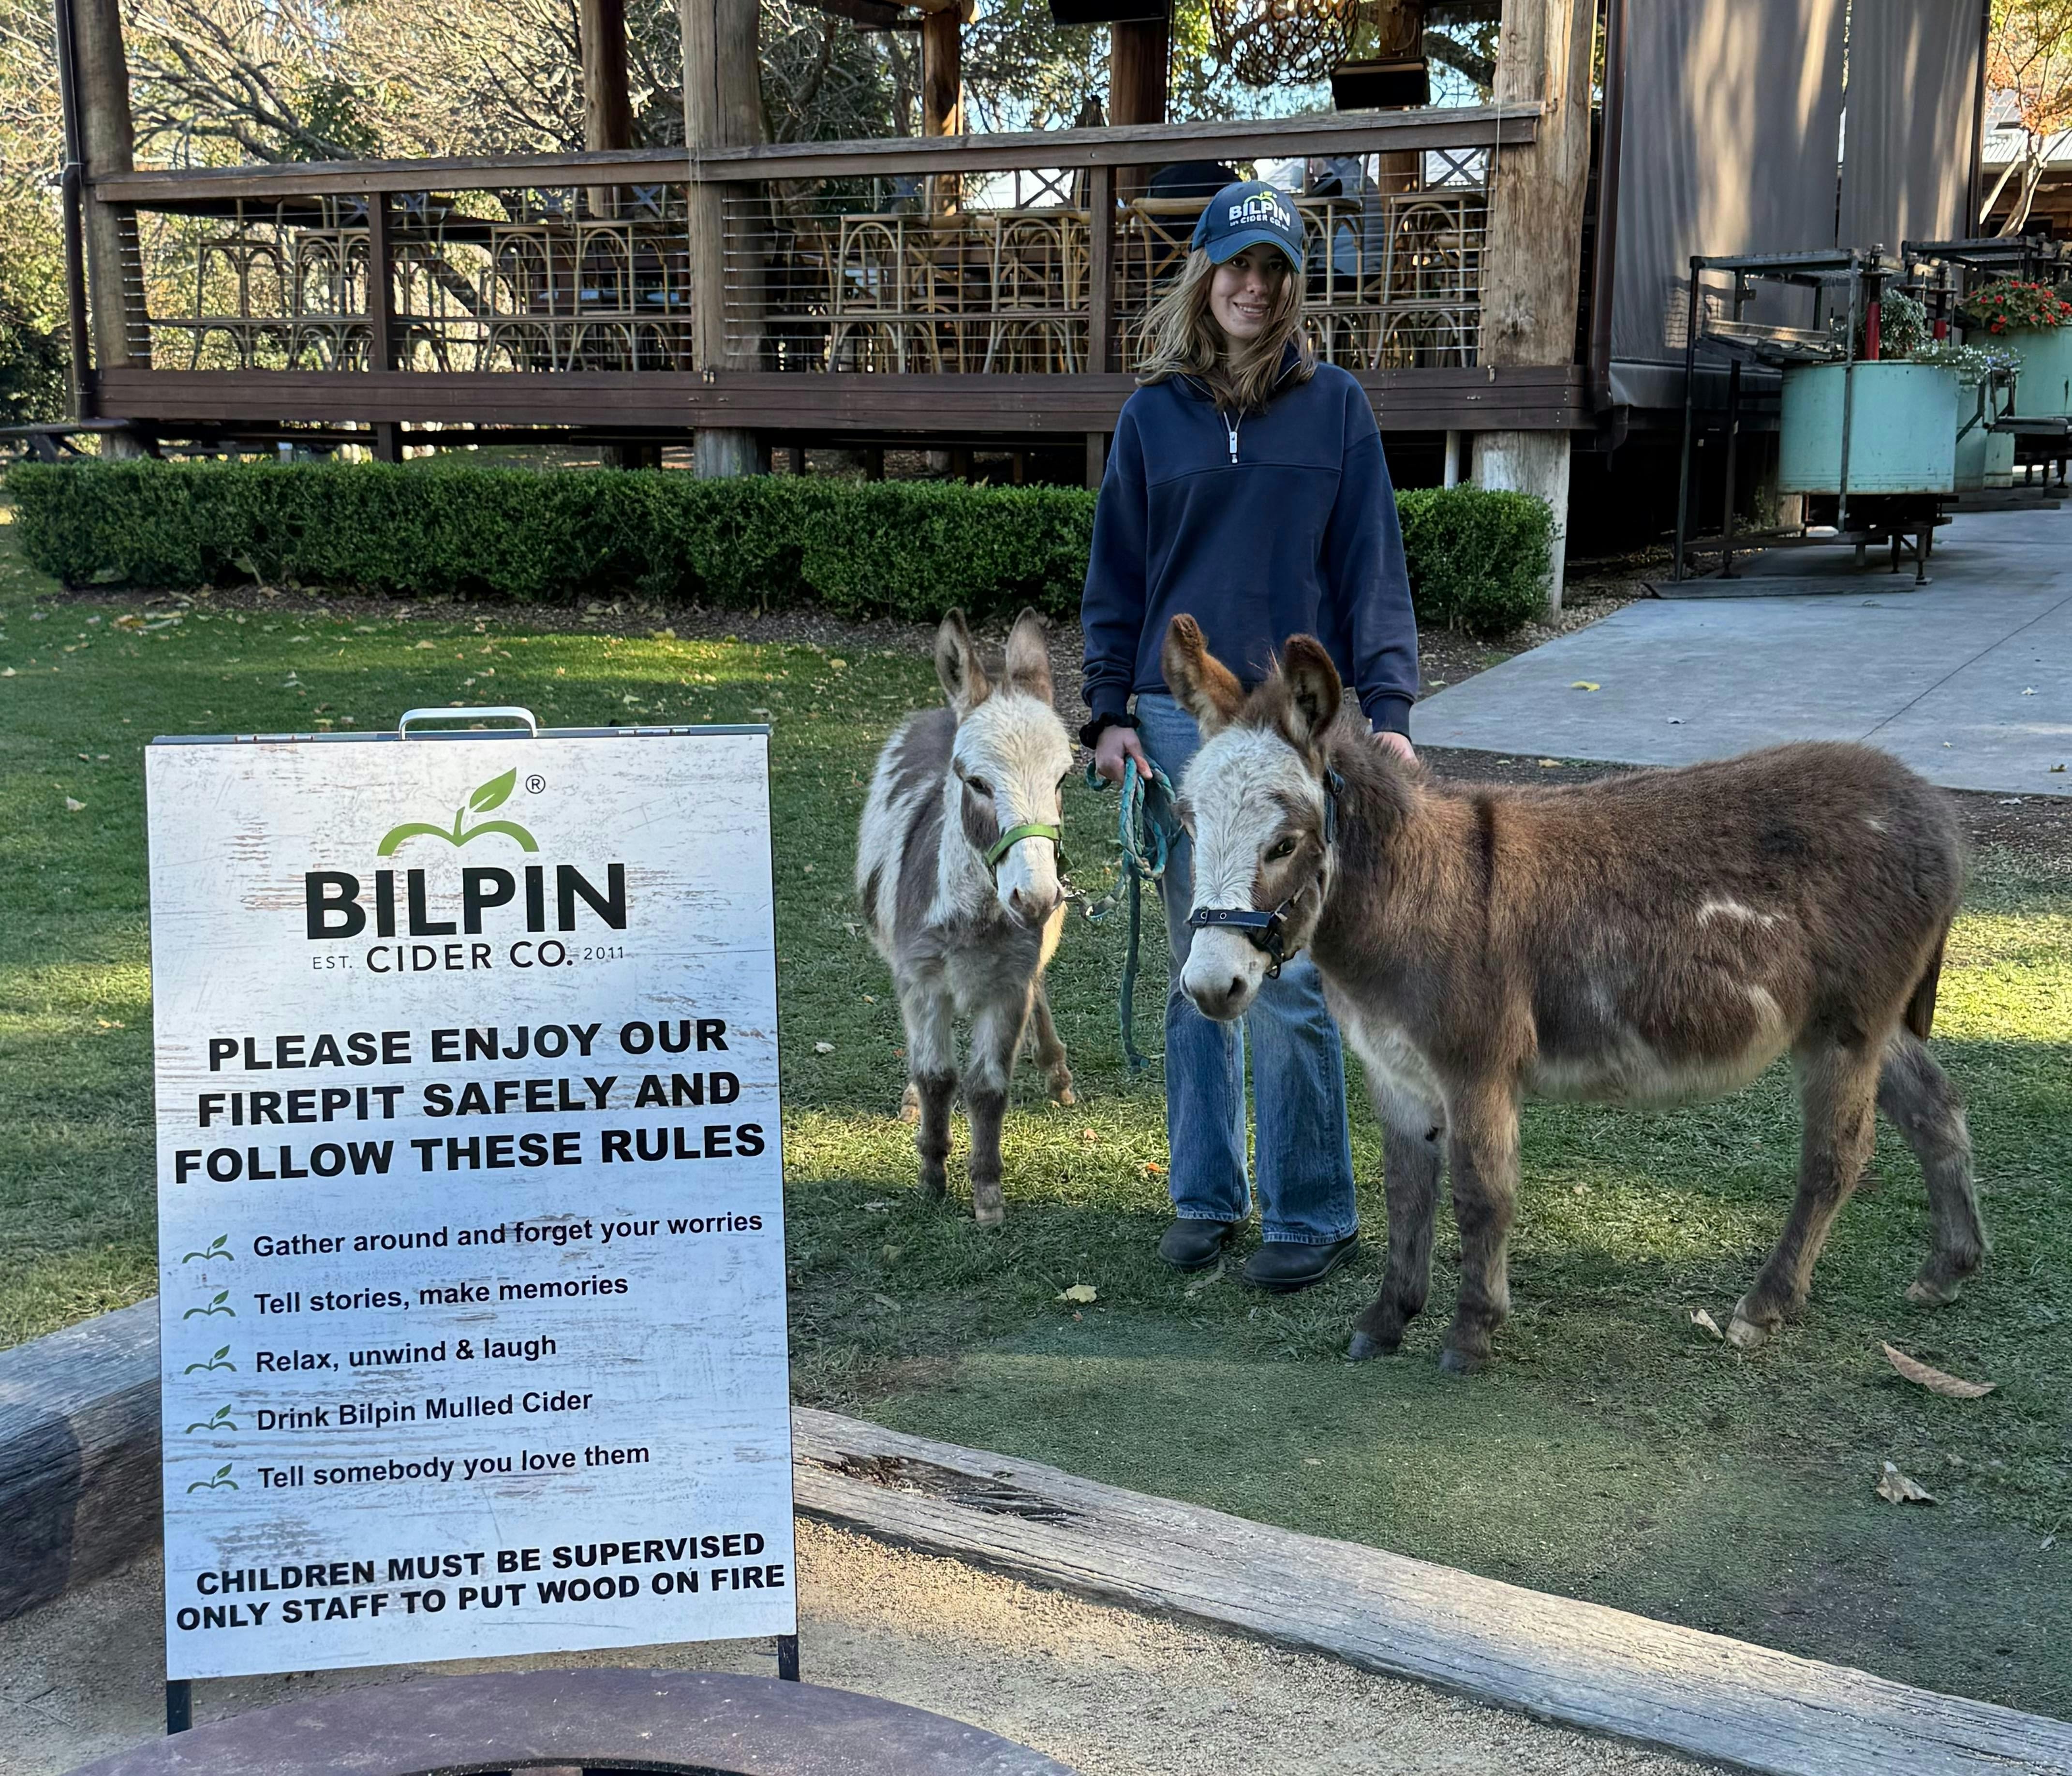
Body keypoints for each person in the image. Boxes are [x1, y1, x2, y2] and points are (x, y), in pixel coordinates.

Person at [1079, 179, 1419, 1292]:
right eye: (1238, 264)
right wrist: (1111, 711)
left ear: (1293, 287)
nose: (1254, 287)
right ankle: (1205, 1194)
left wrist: (1393, 712)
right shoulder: (1151, 418)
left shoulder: (1337, 410)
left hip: (1292, 727)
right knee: (1201, 958)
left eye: (1275, 269)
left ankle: (1313, 1210)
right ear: (1204, 273)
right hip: (1185, 721)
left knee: (1293, 965)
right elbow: (1117, 579)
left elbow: (1373, 569)